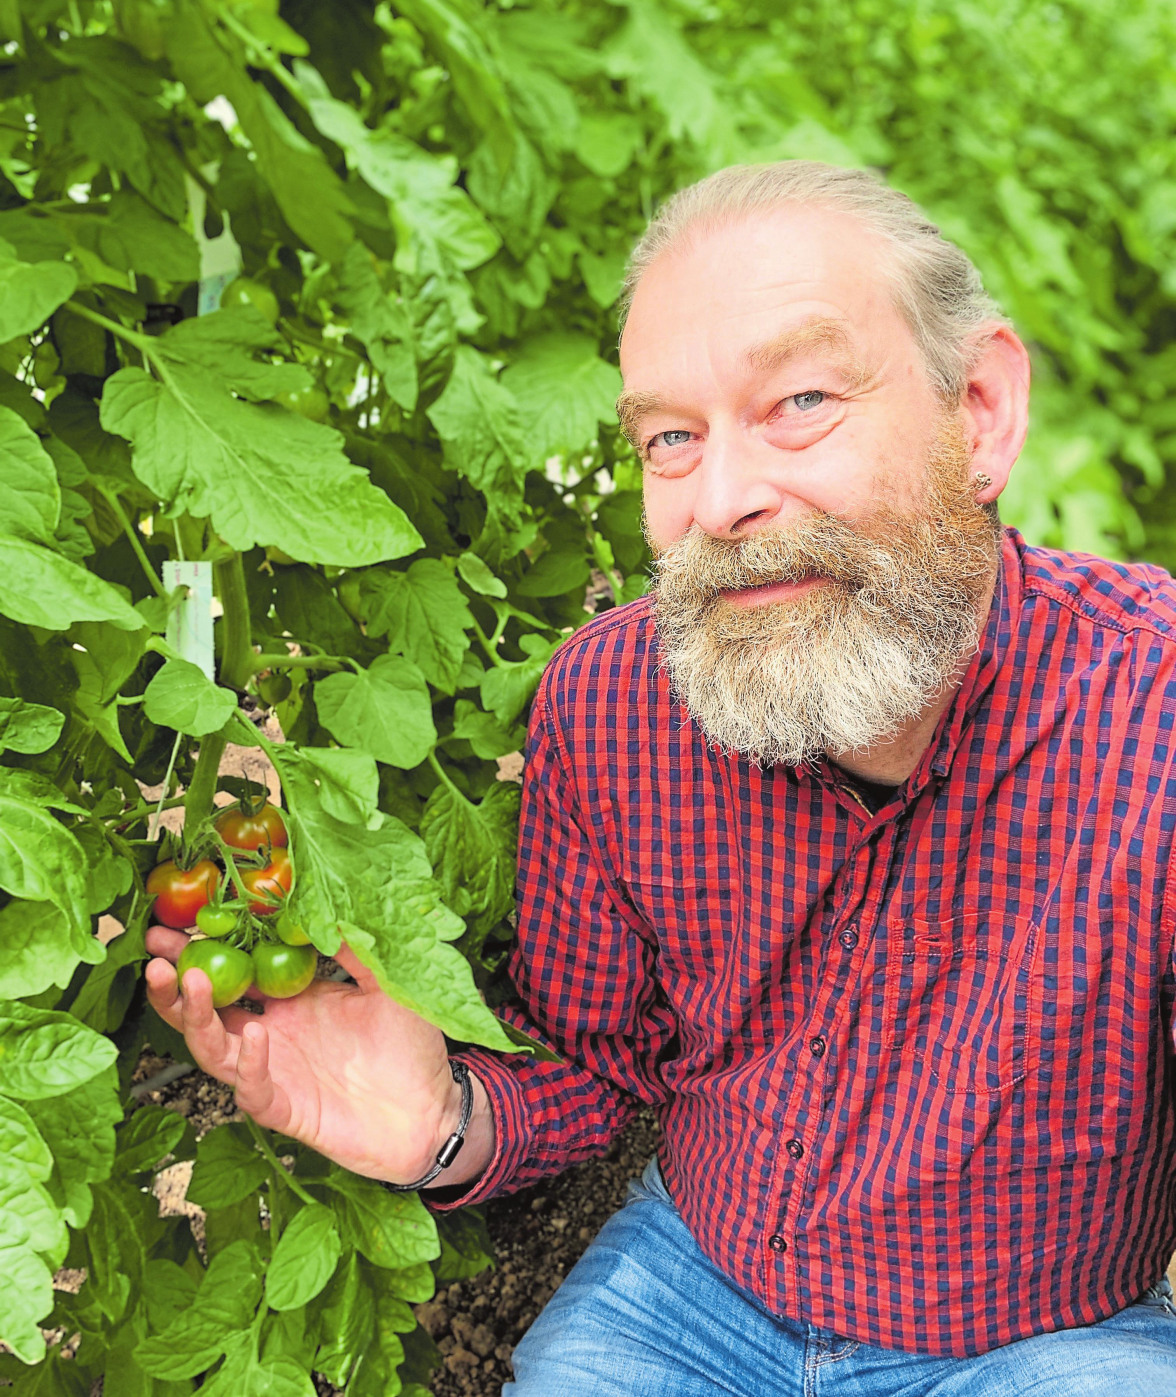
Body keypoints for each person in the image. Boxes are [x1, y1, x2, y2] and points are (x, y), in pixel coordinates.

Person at [146, 161, 1176, 1394]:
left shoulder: (1151, 711)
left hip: (1041, 1337)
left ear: (982, 410)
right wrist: (440, 1121)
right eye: (672, 438)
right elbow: (599, 1059)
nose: (727, 499)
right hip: (694, 1291)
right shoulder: (614, 705)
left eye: (799, 398)